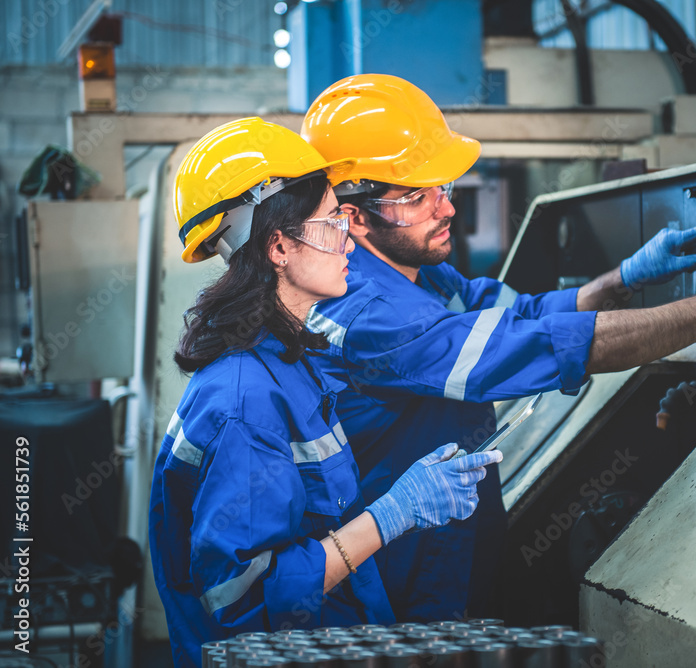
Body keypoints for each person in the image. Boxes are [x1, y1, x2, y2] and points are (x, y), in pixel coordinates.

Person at [299, 74, 696, 622]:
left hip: (449, 552)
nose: (446, 208)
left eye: (444, 187)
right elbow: (532, 345)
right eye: (416, 196)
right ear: (353, 215)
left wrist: (623, 276)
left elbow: (514, 313)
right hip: (401, 582)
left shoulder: (413, 273)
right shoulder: (365, 310)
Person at [147, 117, 501, 667]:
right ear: (279, 246)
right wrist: (392, 516)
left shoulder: (291, 362)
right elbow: (242, 601)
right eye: (331, 223)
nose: (348, 243)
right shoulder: (246, 401)